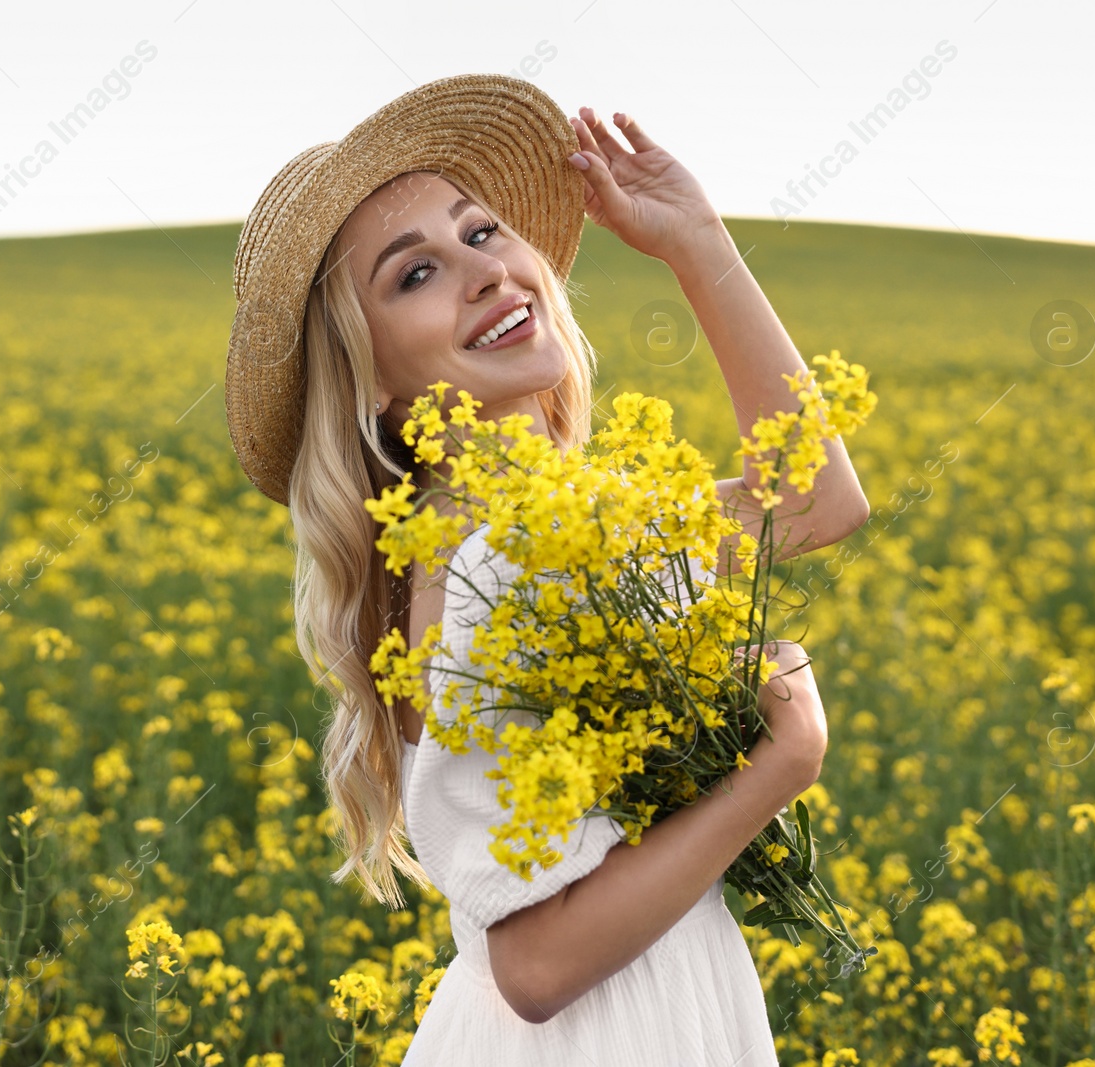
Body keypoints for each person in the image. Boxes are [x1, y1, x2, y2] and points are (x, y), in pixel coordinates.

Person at [224, 73, 869, 1064]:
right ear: (376, 379)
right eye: (414, 273)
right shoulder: (484, 568)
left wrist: (696, 240)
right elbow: (531, 966)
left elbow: (818, 500)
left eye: (480, 234)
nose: (482, 272)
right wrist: (774, 771)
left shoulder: (559, 529)